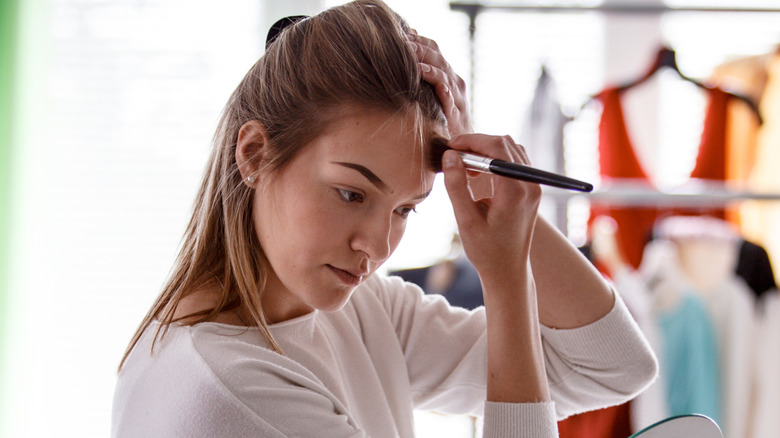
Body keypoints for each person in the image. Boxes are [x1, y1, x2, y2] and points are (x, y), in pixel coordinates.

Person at [111, 1, 658, 437]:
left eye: (404, 209)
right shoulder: (228, 392)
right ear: (254, 154)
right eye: (351, 194)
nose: (376, 245)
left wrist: (498, 193)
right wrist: (505, 278)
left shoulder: (359, 310)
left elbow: (612, 367)